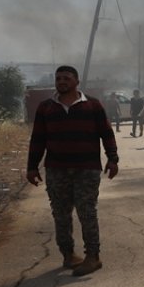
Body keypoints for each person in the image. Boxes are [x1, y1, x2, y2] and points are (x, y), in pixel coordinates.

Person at [26, 65, 119, 276]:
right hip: (56, 170)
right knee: (61, 214)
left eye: (66, 78)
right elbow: (38, 139)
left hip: (87, 169)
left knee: (87, 212)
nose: (61, 81)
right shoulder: (46, 108)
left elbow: (106, 133)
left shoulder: (92, 105)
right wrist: (31, 167)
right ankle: (68, 255)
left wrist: (113, 159)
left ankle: (93, 256)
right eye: (58, 78)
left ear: (76, 82)